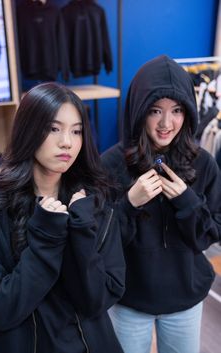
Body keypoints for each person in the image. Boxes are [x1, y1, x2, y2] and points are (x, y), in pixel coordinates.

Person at [0, 82, 125, 353]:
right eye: (53, 128)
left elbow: (97, 301)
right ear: (28, 129)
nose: (67, 142)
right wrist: (46, 240)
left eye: (76, 131)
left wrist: (82, 231)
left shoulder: (94, 201)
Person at [101, 55, 221, 353]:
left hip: (185, 300)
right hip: (129, 301)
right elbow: (96, 241)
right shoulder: (111, 164)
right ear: (139, 111)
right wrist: (128, 203)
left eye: (177, 110)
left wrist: (187, 201)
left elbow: (212, 232)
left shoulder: (203, 163)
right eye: (155, 110)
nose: (167, 124)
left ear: (189, 112)